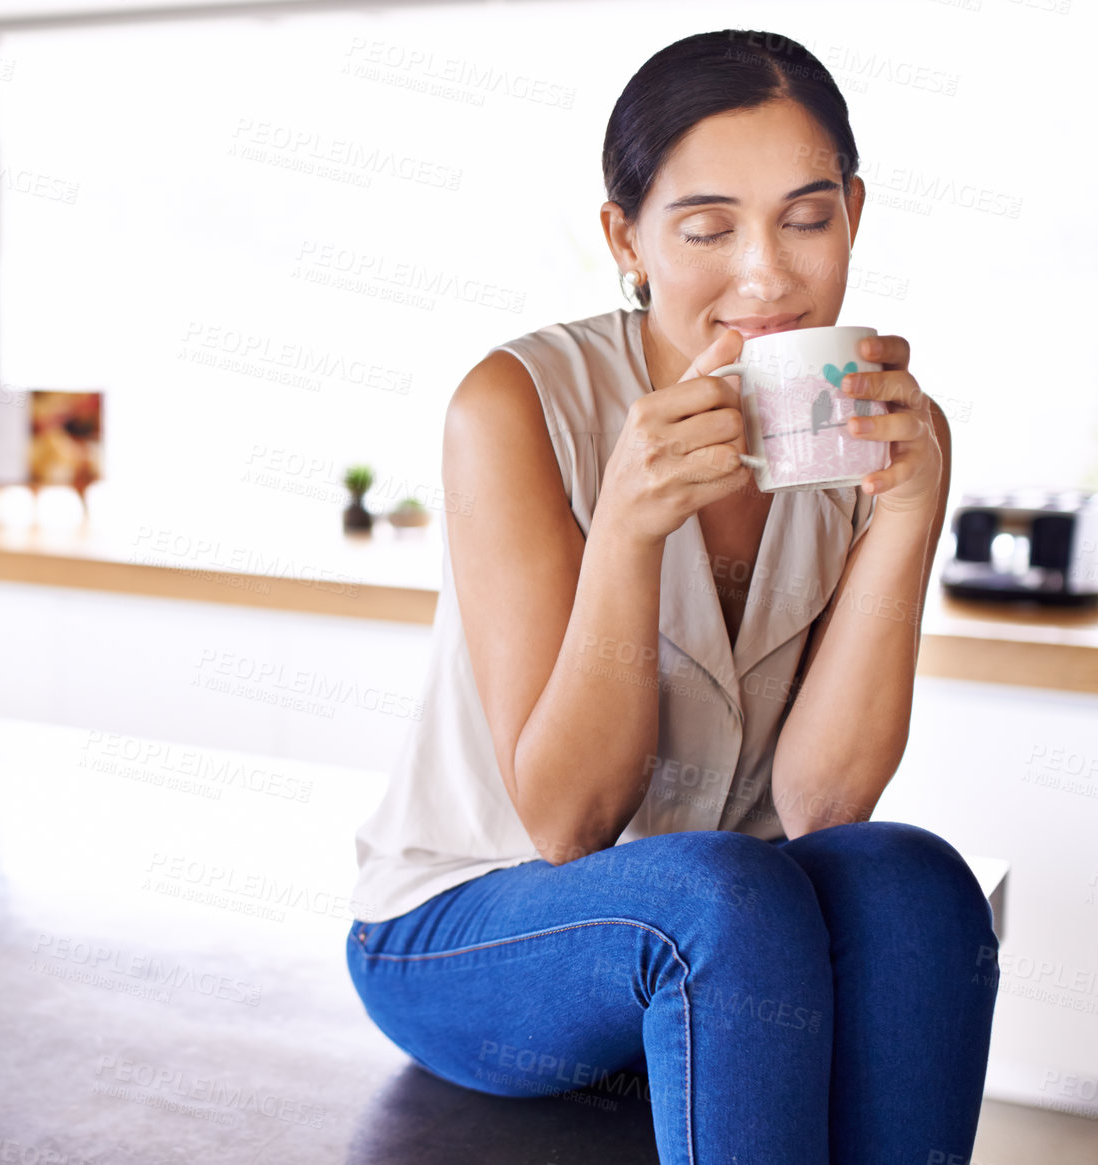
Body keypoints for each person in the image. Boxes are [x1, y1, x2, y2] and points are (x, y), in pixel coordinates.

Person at [343, 28, 998, 1165]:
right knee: (716, 894)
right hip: (470, 926)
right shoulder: (516, 405)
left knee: (912, 881)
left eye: (805, 218)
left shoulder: (885, 431)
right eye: (707, 229)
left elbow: (823, 804)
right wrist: (630, 529)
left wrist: (904, 514)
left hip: (737, 929)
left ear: (851, 211)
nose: (767, 277)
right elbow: (567, 821)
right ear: (626, 239)